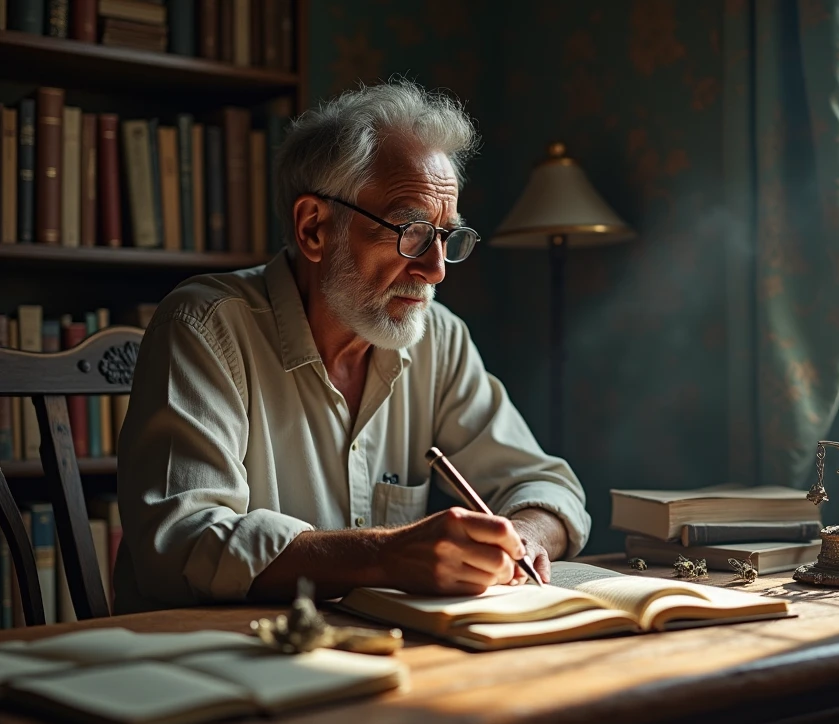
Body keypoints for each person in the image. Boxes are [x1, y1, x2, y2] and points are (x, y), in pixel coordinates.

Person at [114, 79, 590, 613]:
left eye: (446, 237)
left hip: (374, 646)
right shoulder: (204, 326)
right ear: (314, 228)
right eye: (411, 231)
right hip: (217, 650)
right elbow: (183, 541)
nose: (436, 269)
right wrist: (387, 555)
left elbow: (546, 485)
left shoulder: (439, 337)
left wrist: (523, 537)